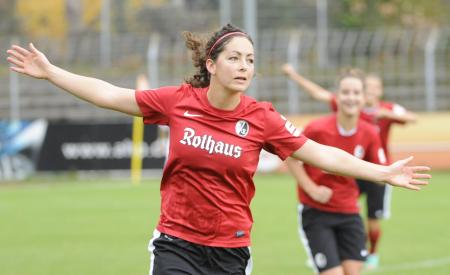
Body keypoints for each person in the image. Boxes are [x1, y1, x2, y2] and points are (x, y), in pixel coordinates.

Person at [7, 24, 430, 275]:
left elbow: (318, 152)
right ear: (211, 64)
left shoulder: (261, 117)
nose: (244, 67)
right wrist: (51, 72)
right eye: (235, 59)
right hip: (176, 242)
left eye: (250, 60)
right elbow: (109, 94)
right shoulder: (177, 102)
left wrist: (381, 173)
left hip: (231, 248)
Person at [282, 64, 417, 269]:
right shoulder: (317, 128)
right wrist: (312, 189)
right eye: (345, 92)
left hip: (349, 212)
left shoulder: (370, 132)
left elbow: (378, 167)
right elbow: (290, 156)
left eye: (356, 93)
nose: (350, 97)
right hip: (317, 212)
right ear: (336, 96)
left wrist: (389, 174)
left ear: (364, 98)